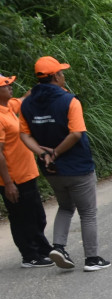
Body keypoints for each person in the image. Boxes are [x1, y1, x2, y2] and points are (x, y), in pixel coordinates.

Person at [18, 56, 109, 271]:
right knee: (87, 212)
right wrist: (57, 152)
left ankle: (58, 246)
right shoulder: (70, 101)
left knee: (66, 207)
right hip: (77, 166)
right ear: (56, 76)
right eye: (61, 72)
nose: (63, 75)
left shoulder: (27, 103)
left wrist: (44, 154)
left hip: (51, 169)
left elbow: (24, 135)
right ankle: (92, 259)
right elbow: (76, 133)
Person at [1, 75, 53, 267]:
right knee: (22, 218)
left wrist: (43, 84)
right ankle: (30, 255)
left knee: (36, 215)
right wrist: (8, 183)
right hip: (14, 178)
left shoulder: (9, 107)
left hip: (26, 174)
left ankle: (42, 248)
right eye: (6, 85)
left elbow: (25, 98)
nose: (11, 87)